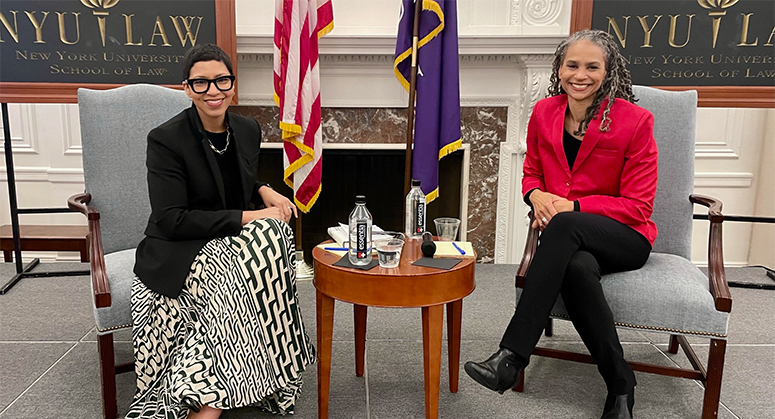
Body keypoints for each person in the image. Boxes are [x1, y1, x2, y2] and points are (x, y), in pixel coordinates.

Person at [464, 30, 658, 419]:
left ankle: (512, 354)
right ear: (559, 68)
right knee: (577, 268)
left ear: (609, 72)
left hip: (625, 238)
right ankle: (621, 383)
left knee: (566, 224)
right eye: (572, 64)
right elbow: (532, 172)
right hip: (568, 240)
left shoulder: (635, 121)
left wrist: (572, 206)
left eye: (592, 66)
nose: (580, 74)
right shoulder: (544, 112)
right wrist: (535, 196)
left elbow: (638, 206)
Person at [129, 43, 315, 419]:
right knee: (233, 281)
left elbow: (239, 182)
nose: (212, 90)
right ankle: (208, 400)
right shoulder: (166, 139)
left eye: (221, 81)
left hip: (226, 237)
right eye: (201, 83)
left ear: (232, 85)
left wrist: (265, 191)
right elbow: (170, 219)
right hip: (178, 246)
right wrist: (249, 217)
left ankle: (270, 379)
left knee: (277, 238)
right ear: (187, 88)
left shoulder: (246, 129)